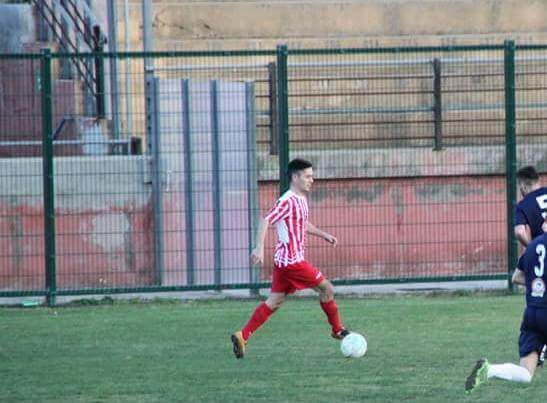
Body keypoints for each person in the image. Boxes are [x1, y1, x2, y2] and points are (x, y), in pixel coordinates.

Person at [230, 158, 349, 359]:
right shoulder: (287, 201)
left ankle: (243, 335)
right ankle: (337, 330)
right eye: (308, 176)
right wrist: (259, 247)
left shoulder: (300, 199)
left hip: (284, 262)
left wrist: (324, 234)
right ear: (295, 177)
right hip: (292, 262)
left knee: (275, 301)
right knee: (327, 289)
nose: (312, 179)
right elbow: (265, 220)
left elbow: (302, 223)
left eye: (312, 175)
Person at [465, 232, 547, 393]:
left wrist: (539, 287)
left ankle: (488, 370)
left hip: (532, 314)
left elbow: (516, 277)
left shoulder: (532, 246)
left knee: (525, 375)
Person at [514, 165, 547, 365]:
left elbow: (519, 232)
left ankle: (538, 348)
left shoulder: (524, 204)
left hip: (540, 252)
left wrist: (532, 245)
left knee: (519, 278)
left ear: (523, 187)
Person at [514, 165, 547, 247]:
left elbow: (519, 232)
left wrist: (531, 248)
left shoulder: (522, 205)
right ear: (538, 180)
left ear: (523, 186)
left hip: (542, 249)